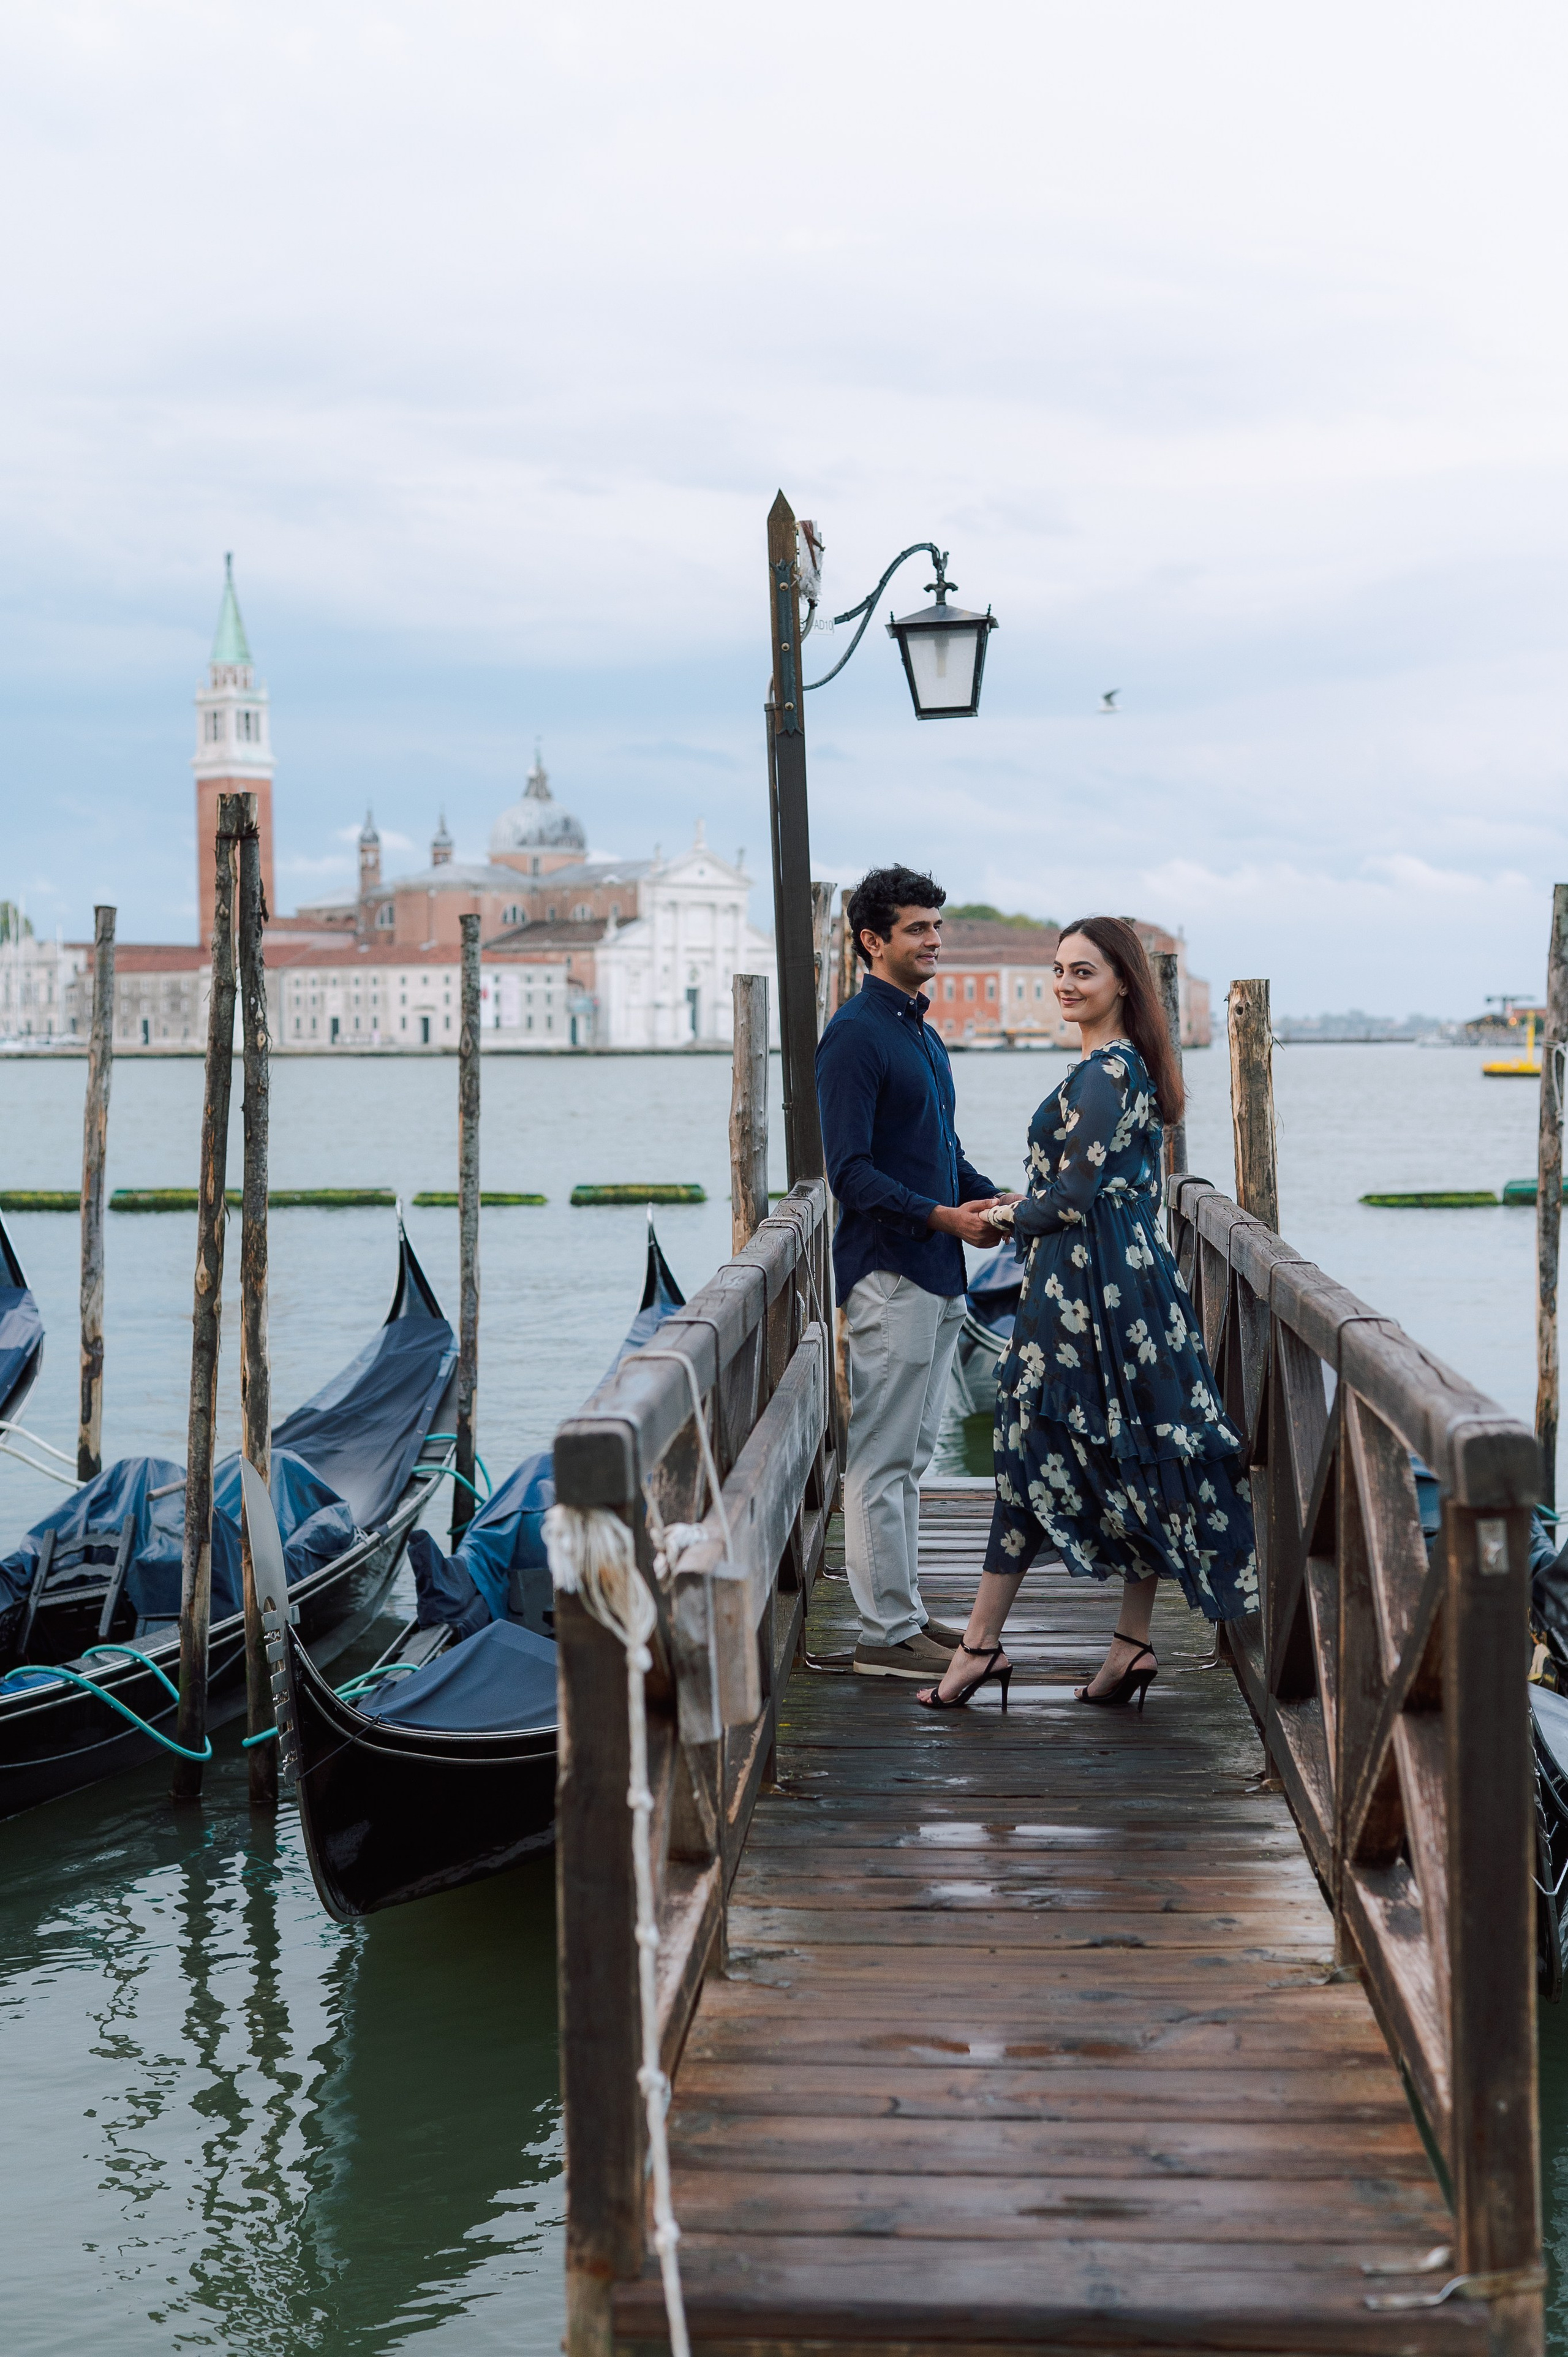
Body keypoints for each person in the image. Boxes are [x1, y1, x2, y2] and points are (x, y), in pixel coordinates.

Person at [915, 914, 1257, 1713]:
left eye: (1084, 973)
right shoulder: (1131, 1068)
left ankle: (979, 1650)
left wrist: (994, 1219)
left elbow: (1070, 1199)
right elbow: (1088, 1189)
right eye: (1060, 970)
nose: (1065, 985)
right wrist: (1020, 1203)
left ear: (1124, 984)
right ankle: (1128, 1646)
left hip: (1087, 1302)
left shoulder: (1106, 1074)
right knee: (1135, 1456)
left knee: (1026, 1462)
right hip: (1121, 1291)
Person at [816, 866, 1016, 1680]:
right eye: (918, 929)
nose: (935, 940)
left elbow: (941, 1155)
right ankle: (882, 1635)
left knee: (914, 1455)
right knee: (880, 1456)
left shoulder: (923, 1035)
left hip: (936, 1274)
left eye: (938, 927)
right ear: (873, 940)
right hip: (888, 1272)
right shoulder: (856, 1036)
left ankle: (900, 1614)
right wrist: (944, 1218)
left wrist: (989, 1198)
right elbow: (849, 1172)